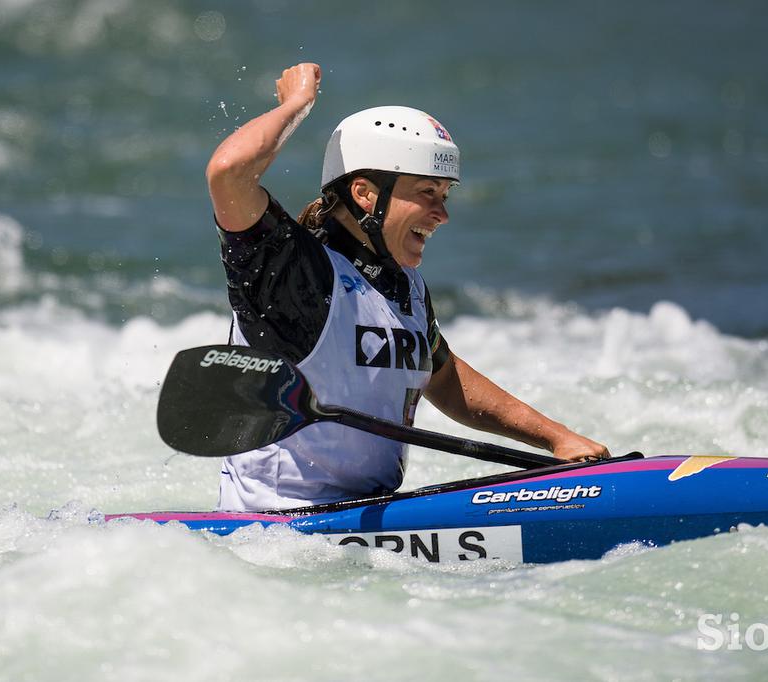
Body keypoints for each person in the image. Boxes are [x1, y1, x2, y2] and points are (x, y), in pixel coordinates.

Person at [207, 63, 609, 512]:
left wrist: (556, 438)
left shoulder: (404, 285)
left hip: (368, 515)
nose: (442, 214)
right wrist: (296, 106)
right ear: (364, 194)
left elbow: (445, 379)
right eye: (426, 193)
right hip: (279, 532)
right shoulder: (292, 272)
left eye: (444, 195)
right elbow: (228, 172)